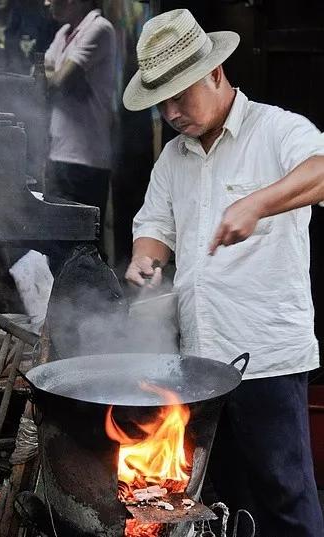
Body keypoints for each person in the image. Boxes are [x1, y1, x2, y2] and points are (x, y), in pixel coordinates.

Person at [123, 10, 324, 536]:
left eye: (179, 96)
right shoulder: (172, 158)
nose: (170, 112)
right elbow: (155, 226)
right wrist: (147, 257)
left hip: (267, 357)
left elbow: (322, 170)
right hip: (201, 361)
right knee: (220, 500)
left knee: (284, 495)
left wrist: (258, 203)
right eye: (160, 102)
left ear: (215, 73)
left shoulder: (278, 129)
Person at [43, 0, 116, 242]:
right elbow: (42, 78)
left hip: (86, 159)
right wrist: (62, 82)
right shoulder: (63, 33)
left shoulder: (99, 28)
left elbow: (56, 82)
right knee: (57, 243)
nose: (46, 2)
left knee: (85, 246)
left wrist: (61, 81)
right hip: (58, 154)